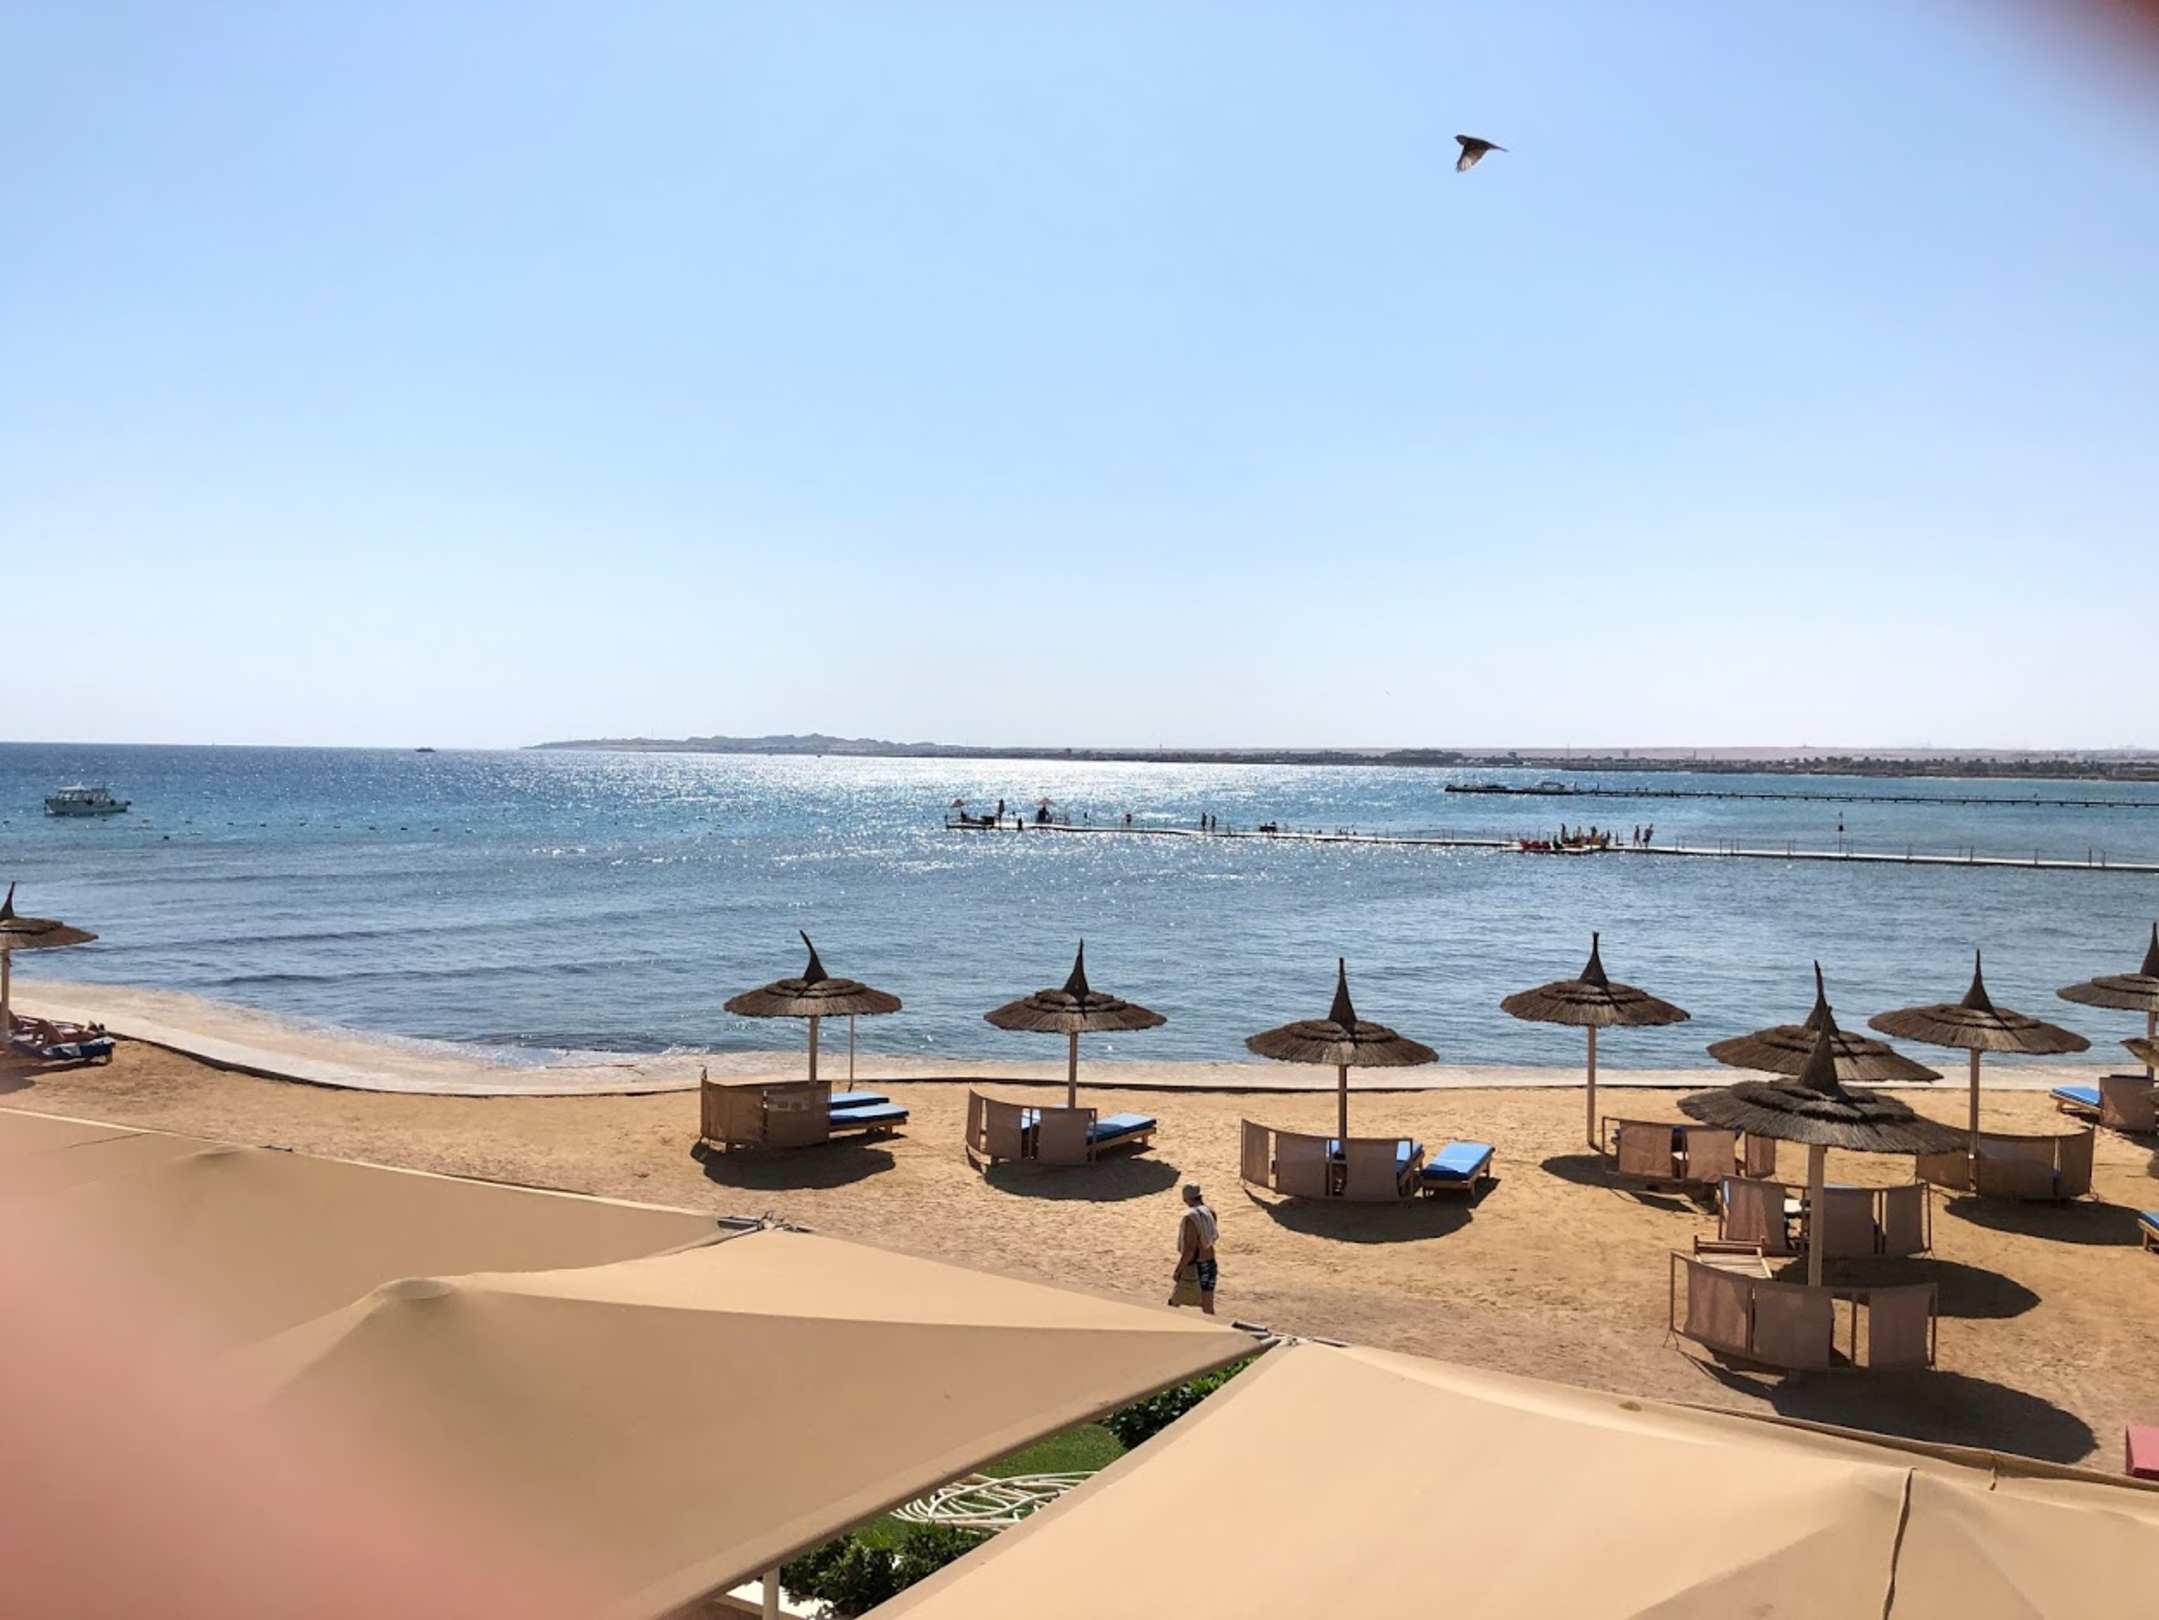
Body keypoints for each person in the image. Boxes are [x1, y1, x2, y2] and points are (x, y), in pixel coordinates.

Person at [1171, 1183, 1218, 1315]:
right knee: (1208, 1307)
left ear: (1186, 1198)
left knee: (1175, 1301)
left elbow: (1190, 1250)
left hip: (1195, 1265)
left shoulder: (1190, 1217)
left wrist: (1178, 1270)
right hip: (1210, 1263)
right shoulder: (1210, 1212)